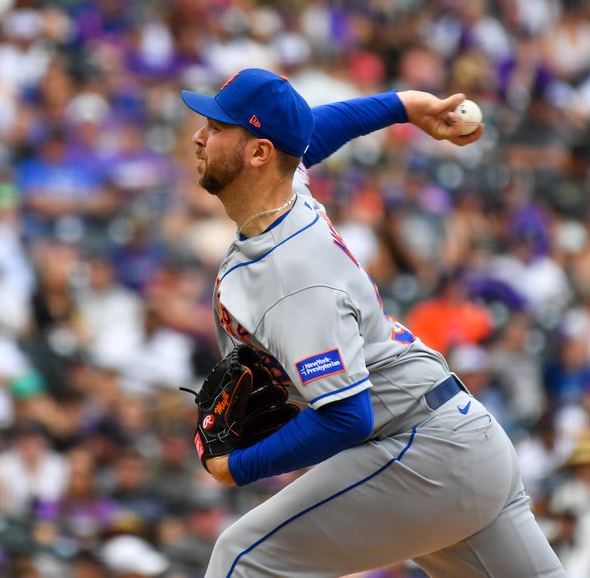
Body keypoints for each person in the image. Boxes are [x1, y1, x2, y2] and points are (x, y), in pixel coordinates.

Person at [181, 68, 565, 577]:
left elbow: (346, 416)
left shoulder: (296, 275)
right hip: (462, 444)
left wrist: (238, 468)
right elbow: (310, 133)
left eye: (216, 126)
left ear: (257, 154)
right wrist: (403, 105)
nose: (198, 136)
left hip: (423, 453)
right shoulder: (283, 188)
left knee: (241, 559)